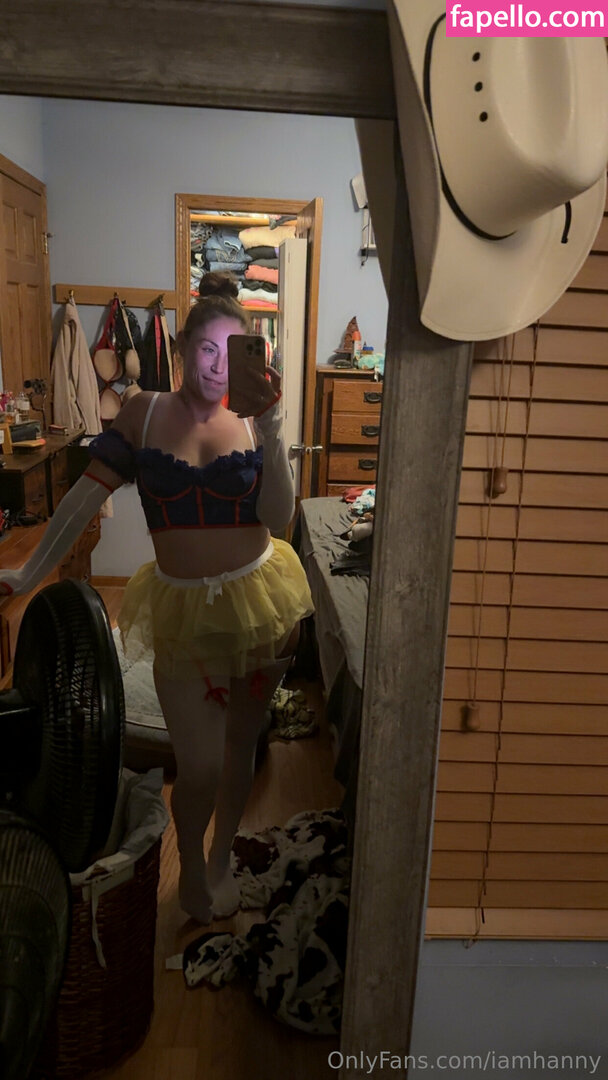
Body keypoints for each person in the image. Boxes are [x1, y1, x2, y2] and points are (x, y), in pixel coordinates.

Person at [0, 272, 314, 923]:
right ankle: (192, 862)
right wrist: (27, 574)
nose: (217, 364)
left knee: (241, 750)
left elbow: (279, 517)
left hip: (262, 602)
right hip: (181, 611)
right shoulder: (143, 412)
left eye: (231, 351)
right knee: (198, 766)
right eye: (206, 348)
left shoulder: (252, 419)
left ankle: (220, 859)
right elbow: (82, 498)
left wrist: (273, 426)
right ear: (181, 348)